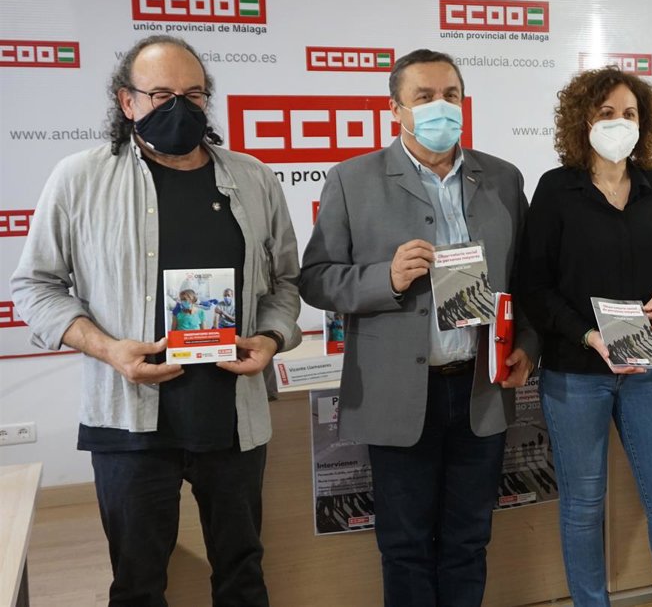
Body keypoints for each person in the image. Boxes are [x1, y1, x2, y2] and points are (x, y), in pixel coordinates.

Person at [9, 34, 302, 607]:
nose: (180, 108)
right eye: (162, 94)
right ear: (127, 102)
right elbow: (34, 286)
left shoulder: (253, 177)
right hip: (129, 421)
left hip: (232, 418)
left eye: (193, 95)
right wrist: (107, 348)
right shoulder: (79, 178)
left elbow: (286, 282)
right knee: (138, 585)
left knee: (243, 575)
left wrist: (271, 338)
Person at [299, 49, 538, 607]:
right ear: (395, 109)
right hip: (398, 395)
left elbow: (528, 278)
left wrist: (528, 343)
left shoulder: (503, 178)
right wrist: (385, 277)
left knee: (468, 541)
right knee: (404, 546)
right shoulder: (352, 180)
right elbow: (315, 280)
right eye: (424, 97)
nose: (440, 107)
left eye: (450, 95)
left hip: (480, 389)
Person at [517, 67, 652, 606]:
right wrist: (588, 336)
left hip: (647, 365)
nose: (619, 123)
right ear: (583, 120)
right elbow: (534, 285)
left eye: (630, 114)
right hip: (576, 372)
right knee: (582, 508)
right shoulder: (557, 189)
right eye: (606, 112)